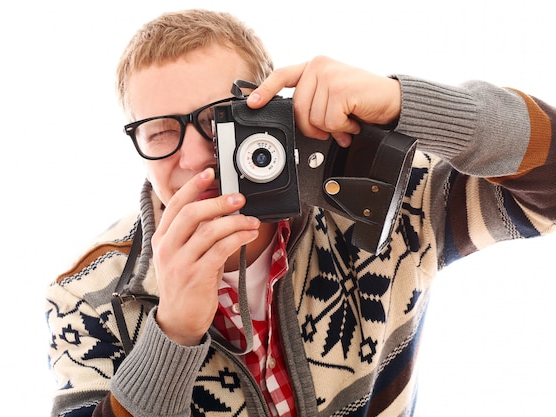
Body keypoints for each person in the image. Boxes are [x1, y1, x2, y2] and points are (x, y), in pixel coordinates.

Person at [45, 8, 556, 417]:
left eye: (219, 120)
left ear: (273, 114)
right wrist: (173, 334)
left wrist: (406, 104)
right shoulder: (83, 293)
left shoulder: (388, 201)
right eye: (160, 131)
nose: (198, 155)